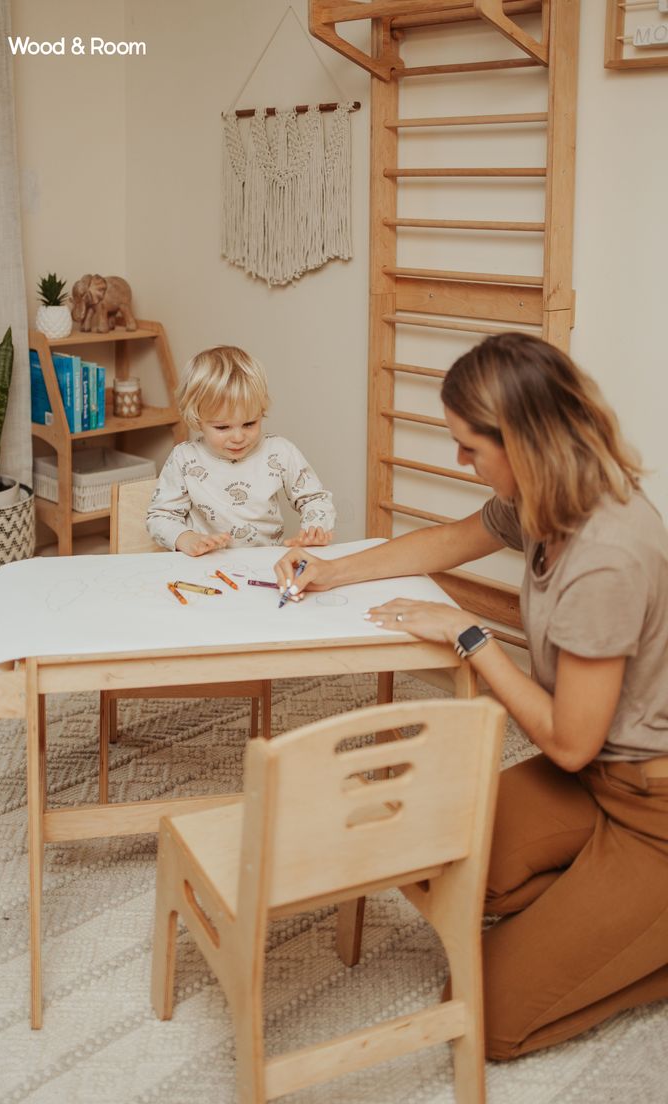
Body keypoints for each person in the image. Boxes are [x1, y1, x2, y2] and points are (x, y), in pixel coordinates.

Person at [273, 331, 668, 1060]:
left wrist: (471, 637)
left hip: (652, 808)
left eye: (469, 448)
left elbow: (571, 741)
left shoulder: (608, 553)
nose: (461, 461)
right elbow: (451, 540)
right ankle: (605, 902)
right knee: (424, 859)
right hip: (591, 782)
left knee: (485, 1016)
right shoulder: (549, 497)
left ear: (522, 441)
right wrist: (334, 569)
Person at [147, 345, 335, 556]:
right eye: (222, 427)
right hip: (203, 565)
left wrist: (314, 529)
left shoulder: (279, 452)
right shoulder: (184, 458)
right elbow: (160, 517)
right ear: (197, 420)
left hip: (265, 565)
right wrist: (186, 539)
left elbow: (315, 499)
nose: (238, 437)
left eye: (249, 424)